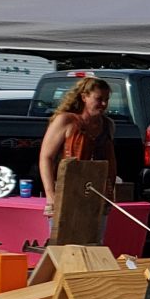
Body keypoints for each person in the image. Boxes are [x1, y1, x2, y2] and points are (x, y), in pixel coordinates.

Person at [38, 76, 117, 220]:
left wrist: (109, 192)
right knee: (63, 234)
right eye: (99, 99)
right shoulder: (66, 120)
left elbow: (111, 163)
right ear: (84, 97)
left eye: (107, 99)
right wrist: (51, 196)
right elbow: (46, 157)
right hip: (67, 192)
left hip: (97, 195)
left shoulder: (108, 125)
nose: (104, 104)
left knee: (95, 235)